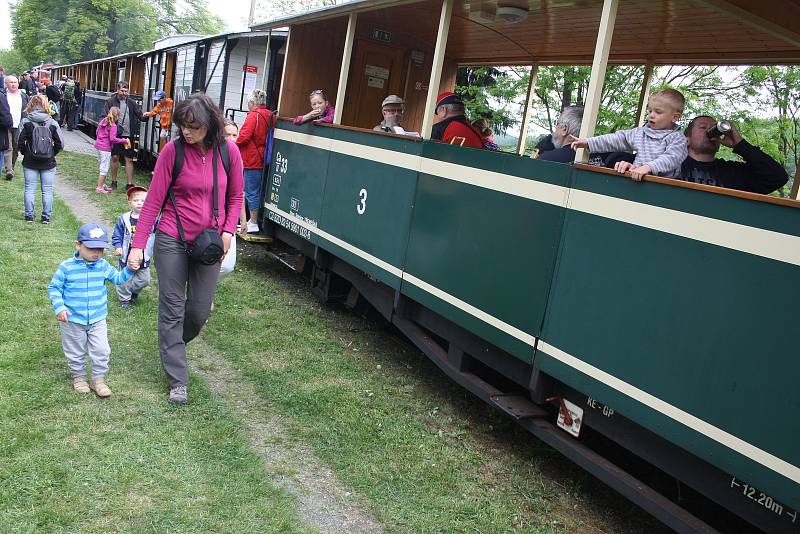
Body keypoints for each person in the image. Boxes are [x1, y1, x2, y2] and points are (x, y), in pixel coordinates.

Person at [126, 93, 244, 405]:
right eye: (183, 126)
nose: (187, 132)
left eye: (194, 127)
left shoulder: (229, 152)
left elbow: (236, 196)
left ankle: (170, 345)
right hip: (172, 238)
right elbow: (153, 201)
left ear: (210, 125)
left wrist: (229, 231)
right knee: (172, 307)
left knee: (199, 311)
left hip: (209, 243)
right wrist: (138, 246)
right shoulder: (172, 152)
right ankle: (178, 380)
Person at [48, 223, 134, 397]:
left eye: (101, 249)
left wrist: (130, 269)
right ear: (78, 245)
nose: (97, 253)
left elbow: (117, 279)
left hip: (97, 319)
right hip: (73, 320)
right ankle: (79, 377)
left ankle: (98, 379)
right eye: (91, 248)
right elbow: (54, 288)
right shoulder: (67, 267)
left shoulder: (102, 265)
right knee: (75, 350)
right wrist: (60, 307)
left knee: (102, 350)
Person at [571, 88, 688, 181]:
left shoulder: (677, 138)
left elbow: (671, 158)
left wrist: (648, 168)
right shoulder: (641, 133)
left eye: (658, 112)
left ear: (675, 117)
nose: (651, 115)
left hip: (664, 187)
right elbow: (617, 139)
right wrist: (588, 142)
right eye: (650, 110)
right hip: (637, 180)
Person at [680, 116, 788, 194]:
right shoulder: (671, 164)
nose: (709, 130)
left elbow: (778, 177)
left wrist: (740, 144)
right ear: (686, 140)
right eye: (703, 127)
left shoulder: (733, 172)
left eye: (713, 128)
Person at [18, 95, 64, 224]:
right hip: (48, 162)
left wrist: (25, 153)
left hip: (30, 161)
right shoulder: (52, 122)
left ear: (31, 105)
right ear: (46, 105)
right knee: (47, 190)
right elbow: (61, 144)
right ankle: (46, 217)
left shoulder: (26, 121)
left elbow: (19, 141)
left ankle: (29, 215)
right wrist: (52, 153)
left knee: (29, 188)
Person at [236, 89, 274, 235]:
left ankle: (253, 223)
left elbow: (244, 137)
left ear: (251, 102)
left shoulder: (253, 115)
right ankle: (254, 221)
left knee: (251, 191)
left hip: (252, 159)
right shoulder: (270, 114)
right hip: (264, 158)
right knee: (259, 191)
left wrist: (233, 144)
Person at [113, 186, 155, 309]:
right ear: (130, 202)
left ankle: (133, 291)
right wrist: (118, 246)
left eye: (143, 201)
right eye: (136, 200)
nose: (140, 203)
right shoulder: (124, 219)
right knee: (125, 278)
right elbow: (117, 235)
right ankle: (124, 299)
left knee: (145, 279)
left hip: (144, 256)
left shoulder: (152, 219)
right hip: (127, 256)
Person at [105, 81, 146, 191]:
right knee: (114, 158)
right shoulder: (110, 101)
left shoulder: (132, 103)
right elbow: (105, 116)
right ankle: (114, 182)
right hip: (115, 135)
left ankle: (129, 184)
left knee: (129, 159)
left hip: (128, 136)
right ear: (117, 90)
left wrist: (147, 116)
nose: (124, 93)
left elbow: (140, 115)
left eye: (126, 91)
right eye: (122, 91)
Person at [94, 106, 129, 193]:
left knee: (102, 165)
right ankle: (99, 188)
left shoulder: (103, 120)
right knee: (104, 168)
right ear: (117, 116)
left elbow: (97, 132)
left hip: (98, 146)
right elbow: (112, 139)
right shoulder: (113, 125)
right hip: (105, 148)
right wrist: (124, 140)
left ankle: (102, 184)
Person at [3, 75, 30, 180]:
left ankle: (12, 166)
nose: (13, 84)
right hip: (6, 125)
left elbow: (28, 109)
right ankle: (9, 170)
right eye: (11, 82)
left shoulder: (23, 96)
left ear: (18, 84)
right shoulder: (3, 95)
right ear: (6, 84)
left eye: (15, 82)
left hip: (19, 125)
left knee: (16, 147)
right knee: (8, 147)